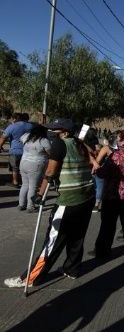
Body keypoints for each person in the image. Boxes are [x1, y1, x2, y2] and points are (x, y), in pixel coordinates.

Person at [4, 119, 96, 287]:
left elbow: (51, 171)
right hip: (87, 196)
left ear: (65, 132)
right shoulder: (80, 144)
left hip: (69, 199)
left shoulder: (60, 144)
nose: (52, 132)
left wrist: (40, 194)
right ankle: (72, 268)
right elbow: (92, 159)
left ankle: (29, 279)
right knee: (77, 235)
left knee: (53, 240)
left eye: (56, 129)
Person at [93, 130, 124, 259]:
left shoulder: (117, 156)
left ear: (123, 141)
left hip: (115, 195)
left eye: (118, 138)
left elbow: (101, 173)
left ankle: (102, 252)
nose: (116, 140)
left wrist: (94, 163)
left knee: (108, 225)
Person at [18, 125, 51, 213]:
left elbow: (21, 140)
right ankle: (30, 206)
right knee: (33, 186)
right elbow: (50, 152)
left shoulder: (26, 136)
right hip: (35, 164)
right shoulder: (43, 140)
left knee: (25, 184)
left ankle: (21, 204)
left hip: (23, 162)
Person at [0, 112, 34, 187]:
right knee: (25, 167)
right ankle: (25, 182)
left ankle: (15, 182)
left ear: (15, 119)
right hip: (28, 151)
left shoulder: (12, 126)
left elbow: (3, 138)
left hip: (15, 151)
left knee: (15, 168)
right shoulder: (31, 126)